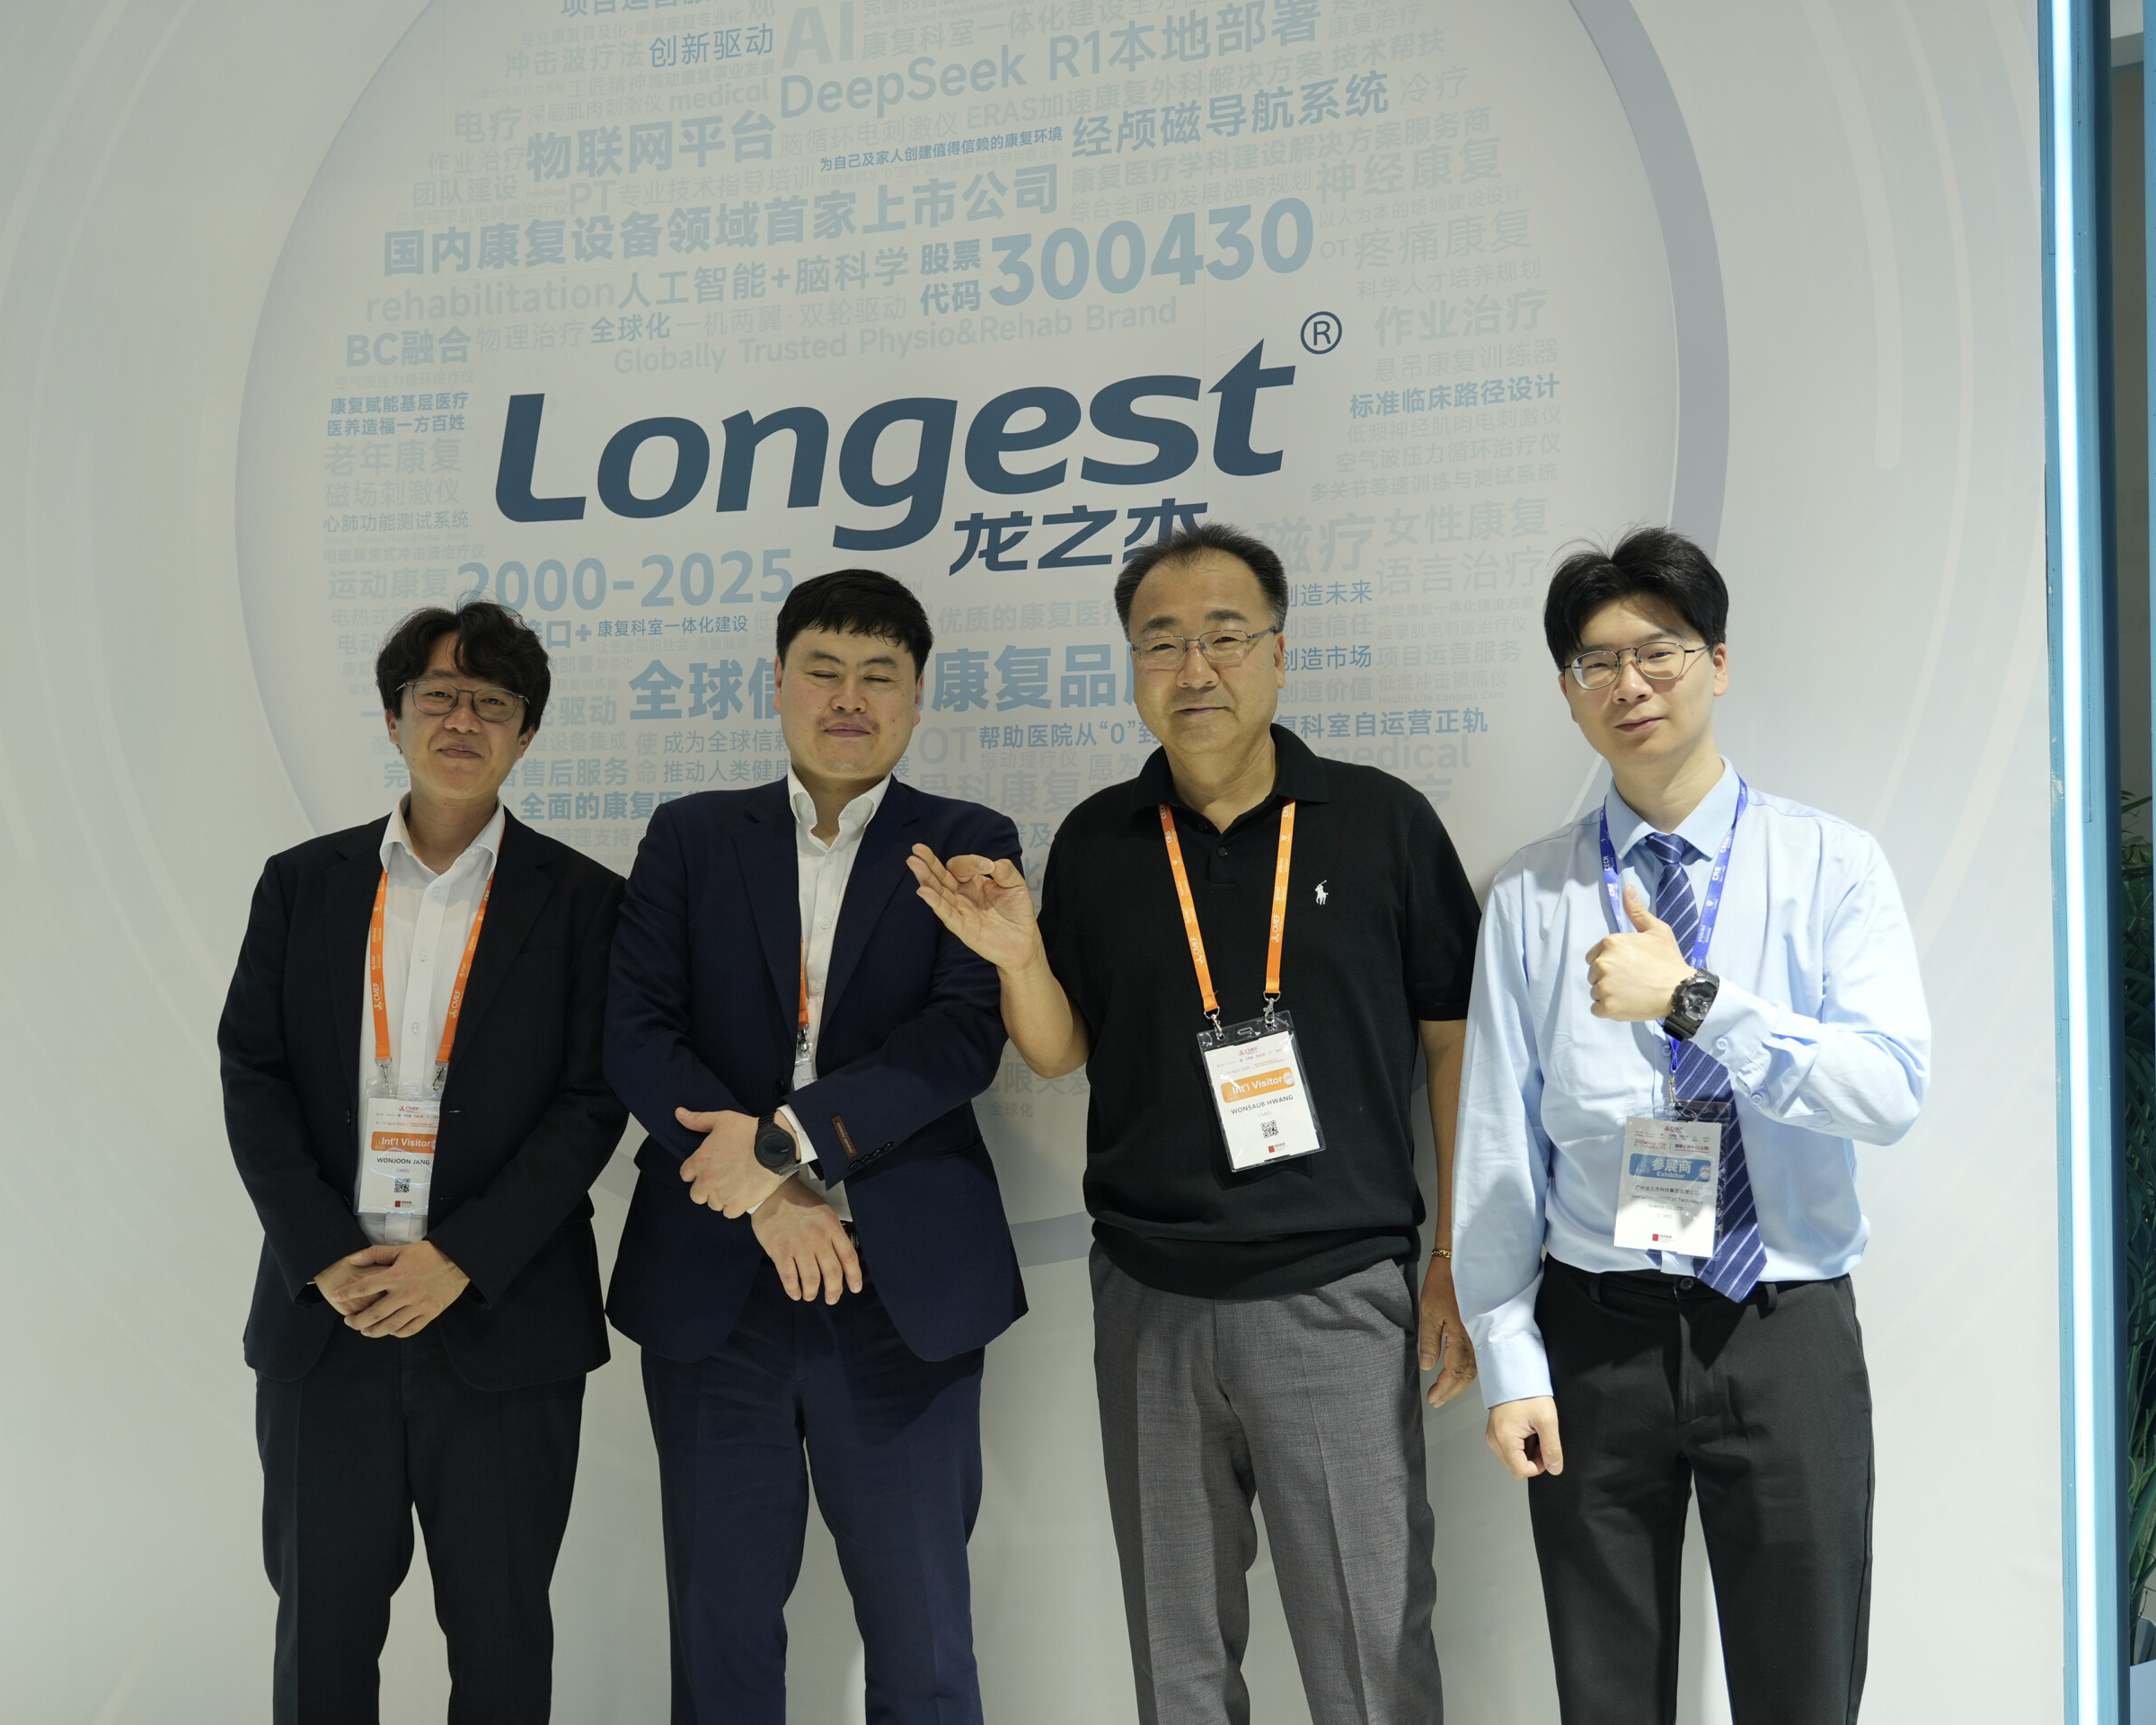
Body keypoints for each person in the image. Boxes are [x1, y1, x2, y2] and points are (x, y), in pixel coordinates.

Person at [909, 521, 1479, 1725]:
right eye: (1160, 643)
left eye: (1224, 636)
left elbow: (1452, 1039)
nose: (1193, 668)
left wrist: (1451, 1254)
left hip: (1335, 1291)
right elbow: (1061, 1049)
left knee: (1371, 1654)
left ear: (1279, 654)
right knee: (1176, 1662)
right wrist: (1017, 958)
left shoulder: (1379, 823)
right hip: (1151, 1295)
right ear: (1132, 666)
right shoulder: (1098, 840)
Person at [1451, 527, 1931, 1724]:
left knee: (1803, 1690)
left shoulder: (1830, 866)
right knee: (1606, 1696)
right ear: (1569, 693)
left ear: (1718, 662)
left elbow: (1887, 1091)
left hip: (1783, 1328)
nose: (1630, 684)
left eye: (1658, 651)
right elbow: (1500, 1148)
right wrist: (1509, 1358)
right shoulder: (1529, 896)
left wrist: (1697, 1003)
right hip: (1595, 1336)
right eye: (1596, 662)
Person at [605, 568, 1027, 1725]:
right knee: (721, 1639)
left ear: (917, 697)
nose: (849, 698)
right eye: (823, 671)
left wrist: (787, 1145)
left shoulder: (966, 842)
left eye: (879, 675)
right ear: (779, 684)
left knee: (924, 1639)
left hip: (902, 1291)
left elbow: (960, 1038)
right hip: (715, 1286)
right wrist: (767, 1195)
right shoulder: (691, 835)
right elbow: (636, 1032)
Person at [217, 600, 629, 1725]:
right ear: (394, 716)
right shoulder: (302, 884)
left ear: (526, 734)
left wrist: (461, 1259)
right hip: (327, 1327)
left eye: (492, 702)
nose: (461, 720)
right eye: (437, 695)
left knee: (502, 1642)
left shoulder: (585, 902)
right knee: (321, 1636)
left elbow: (593, 1102)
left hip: (504, 1326)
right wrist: (324, 1255)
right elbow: (251, 1074)